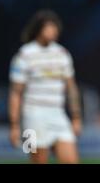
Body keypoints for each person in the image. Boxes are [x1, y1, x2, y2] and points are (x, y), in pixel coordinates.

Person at [8, 10, 82, 164]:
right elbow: (15, 93)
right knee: (37, 161)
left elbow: (71, 88)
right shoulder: (24, 54)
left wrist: (76, 117)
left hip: (58, 114)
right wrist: (14, 125)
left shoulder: (62, 53)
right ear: (39, 29)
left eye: (55, 27)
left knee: (71, 160)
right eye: (49, 27)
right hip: (32, 116)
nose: (53, 31)